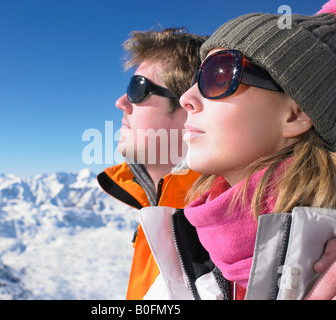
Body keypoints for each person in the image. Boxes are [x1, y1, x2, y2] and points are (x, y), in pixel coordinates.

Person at [139, 8, 336, 300]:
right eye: (196, 78)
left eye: (218, 75)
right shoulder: (189, 252)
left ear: (296, 113)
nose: (186, 98)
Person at [97, 28, 207, 300]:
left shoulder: (214, 227)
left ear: (188, 107)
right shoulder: (157, 205)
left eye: (138, 89)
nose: (121, 102)